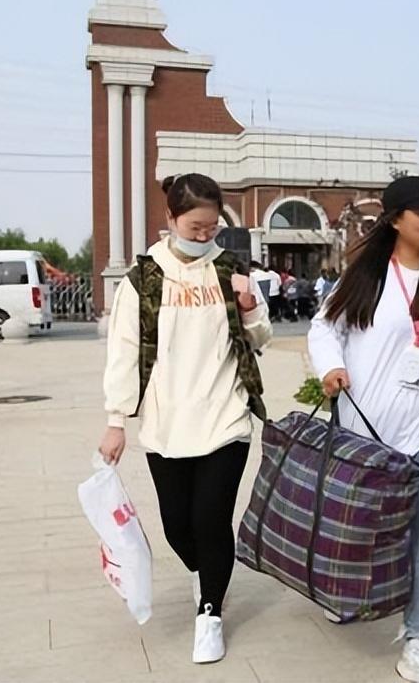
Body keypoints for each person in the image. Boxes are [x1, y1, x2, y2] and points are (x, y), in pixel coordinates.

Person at [98, 173, 271, 666]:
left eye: (212, 228)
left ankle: (210, 613)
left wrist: (249, 307)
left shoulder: (231, 269)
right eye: (195, 227)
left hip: (225, 417)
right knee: (177, 526)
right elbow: (124, 351)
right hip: (165, 423)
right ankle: (206, 571)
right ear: (171, 219)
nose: (204, 236)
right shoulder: (144, 279)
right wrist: (116, 419)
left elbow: (261, 338)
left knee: (210, 519)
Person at [308, 175, 419, 683]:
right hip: (369, 431)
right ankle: (346, 594)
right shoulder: (367, 275)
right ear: (395, 220)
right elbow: (324, 327)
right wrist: (331, 367)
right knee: (362, 530)